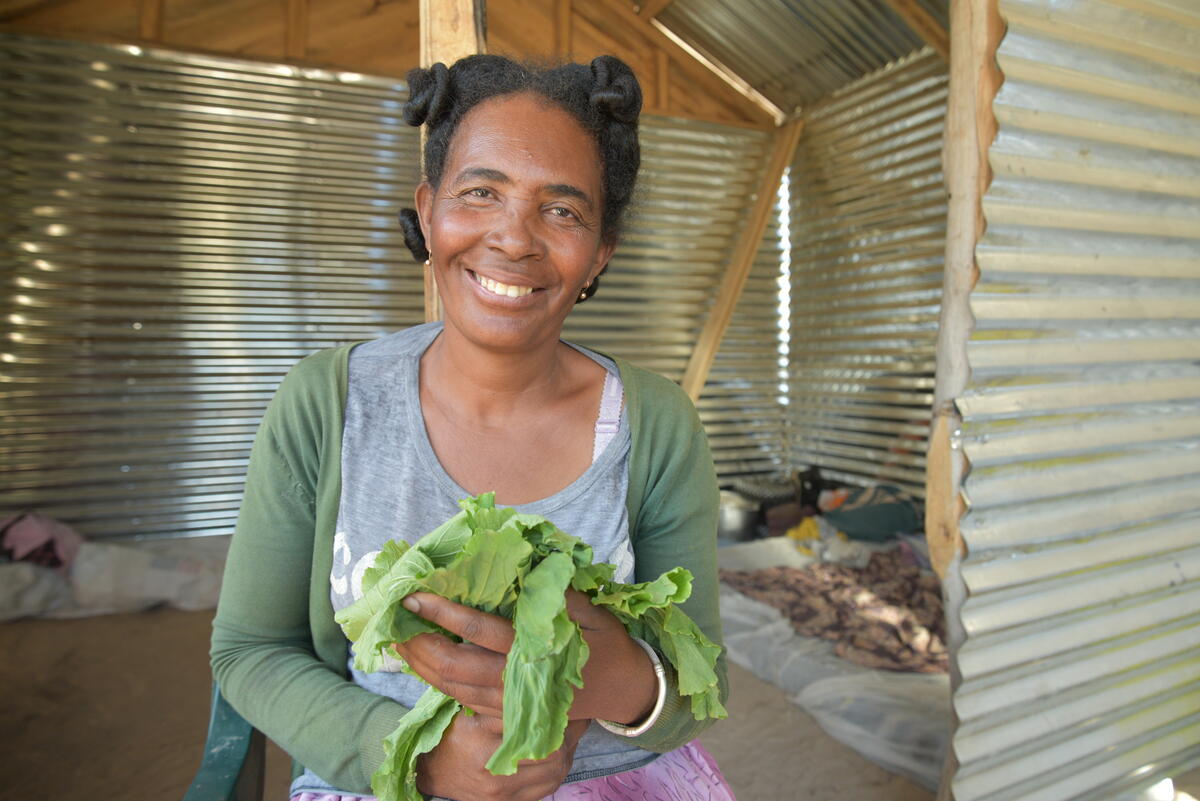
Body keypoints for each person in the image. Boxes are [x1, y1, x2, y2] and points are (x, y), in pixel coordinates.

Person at [211, 52, 733, 801]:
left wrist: (620, 678)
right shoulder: (326, 406)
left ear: (599, 254)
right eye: (480, 191)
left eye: (562, 210)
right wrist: (414, 758)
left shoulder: (655, 428)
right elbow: (251, 650)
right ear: (428, 212)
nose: (514, 239)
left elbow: (697, 683)